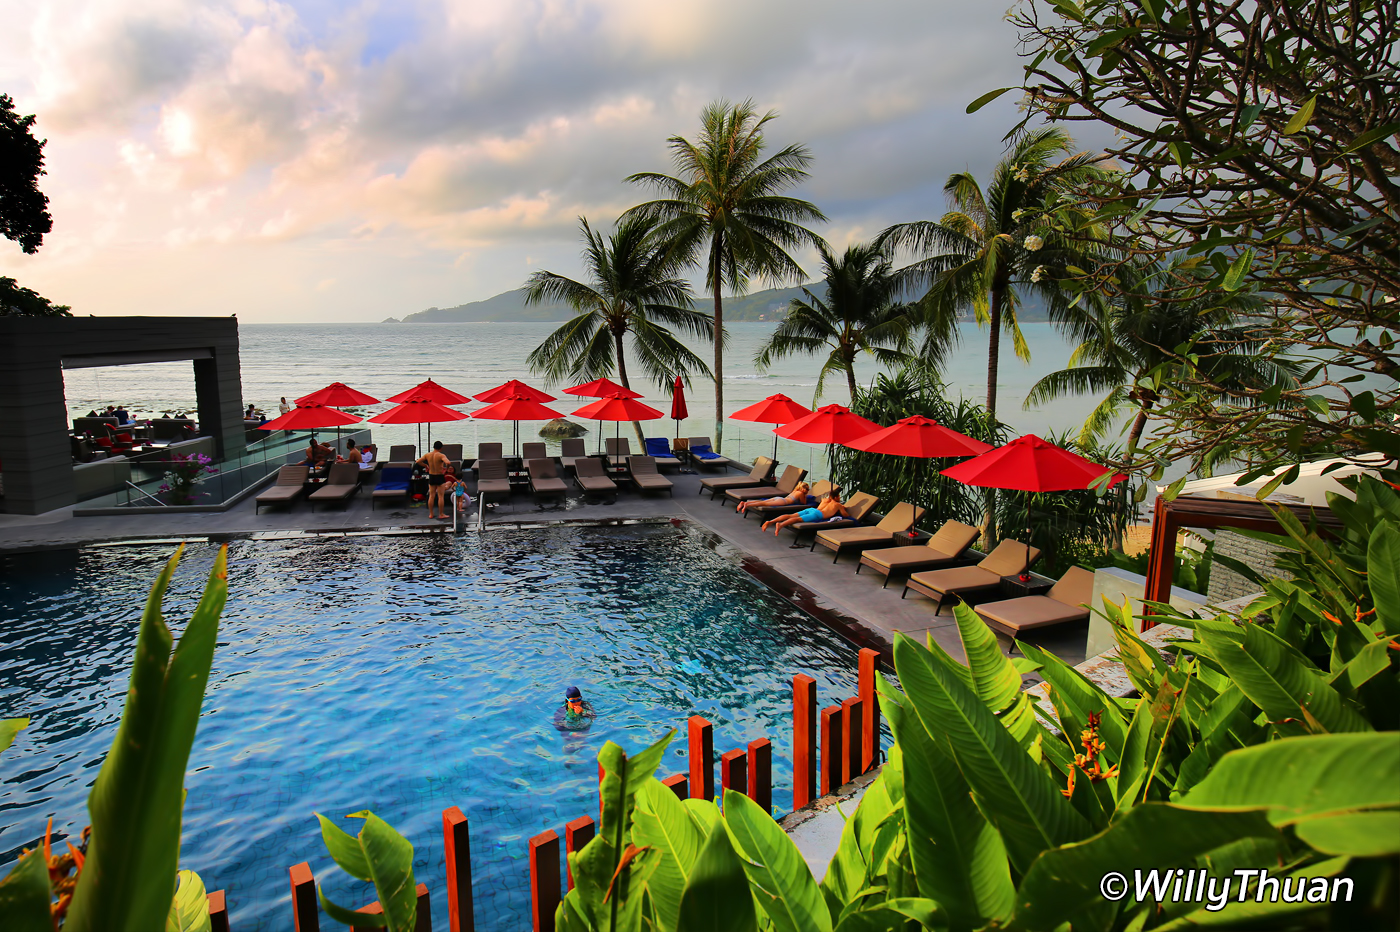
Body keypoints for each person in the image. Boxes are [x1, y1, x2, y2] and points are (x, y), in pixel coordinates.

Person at [761, 489, 850, 535]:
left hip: (812, 509)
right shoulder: (837, 504)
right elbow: (845, 515)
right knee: (797, 519)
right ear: (835, 497)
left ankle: (771, 521)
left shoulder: (824, 500)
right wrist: (843, 507)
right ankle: (780, 525)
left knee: (790, 515)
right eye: (838, 497)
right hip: (818, 514)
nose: (839, 498)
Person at [416, 440, 451, 519]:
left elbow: (418, 461)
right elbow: (448, 462)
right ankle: (441, 514)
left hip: (431, 476)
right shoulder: (441, 455)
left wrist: (425, 466)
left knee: (431, 496)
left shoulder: (428, 455)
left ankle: (431, 514)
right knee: (440, 496)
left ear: (433, 447)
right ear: (441, 448)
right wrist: (446, 469)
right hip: (439, 476)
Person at [736, 481, 811, 514]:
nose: (808, 490)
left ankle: (745, 502)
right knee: (764, 503)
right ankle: (747, 505)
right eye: (807, 489)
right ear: (802, 489)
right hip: (783, 501)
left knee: (764, 502)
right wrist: (805, 496)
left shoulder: (795, 491)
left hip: (779, 498)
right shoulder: (801, 493)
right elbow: (803, 503)